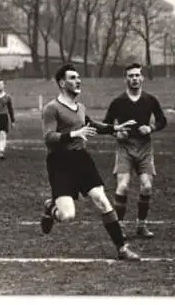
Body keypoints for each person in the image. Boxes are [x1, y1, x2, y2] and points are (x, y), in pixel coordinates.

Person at [39, 64, 140, 260]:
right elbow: (48, 137)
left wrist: (114, 129)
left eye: (78, 77)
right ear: (62, 83)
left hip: (81, 159)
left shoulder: (80, 107)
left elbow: (91, 125)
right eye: (73, 78)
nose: (78, 81)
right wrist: (74, 134)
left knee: (101, 200)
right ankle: (50, 207)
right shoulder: (51, 108)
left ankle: (122, 248)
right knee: (67, 216)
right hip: (59, 163)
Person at [103, 63, 168, 239]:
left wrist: (151, 128)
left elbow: (163, 121)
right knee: (122, 187)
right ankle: (121, 226)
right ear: (126, 79)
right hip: (125, 148)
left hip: (145, 147)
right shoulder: (118, 101)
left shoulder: (150, 100)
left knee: (147, 186)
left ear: (142, 78)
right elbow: (106, 125)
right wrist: (117, 132)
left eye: (137, 75)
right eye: (131, 76)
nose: (134, 79)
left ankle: (141, 225)